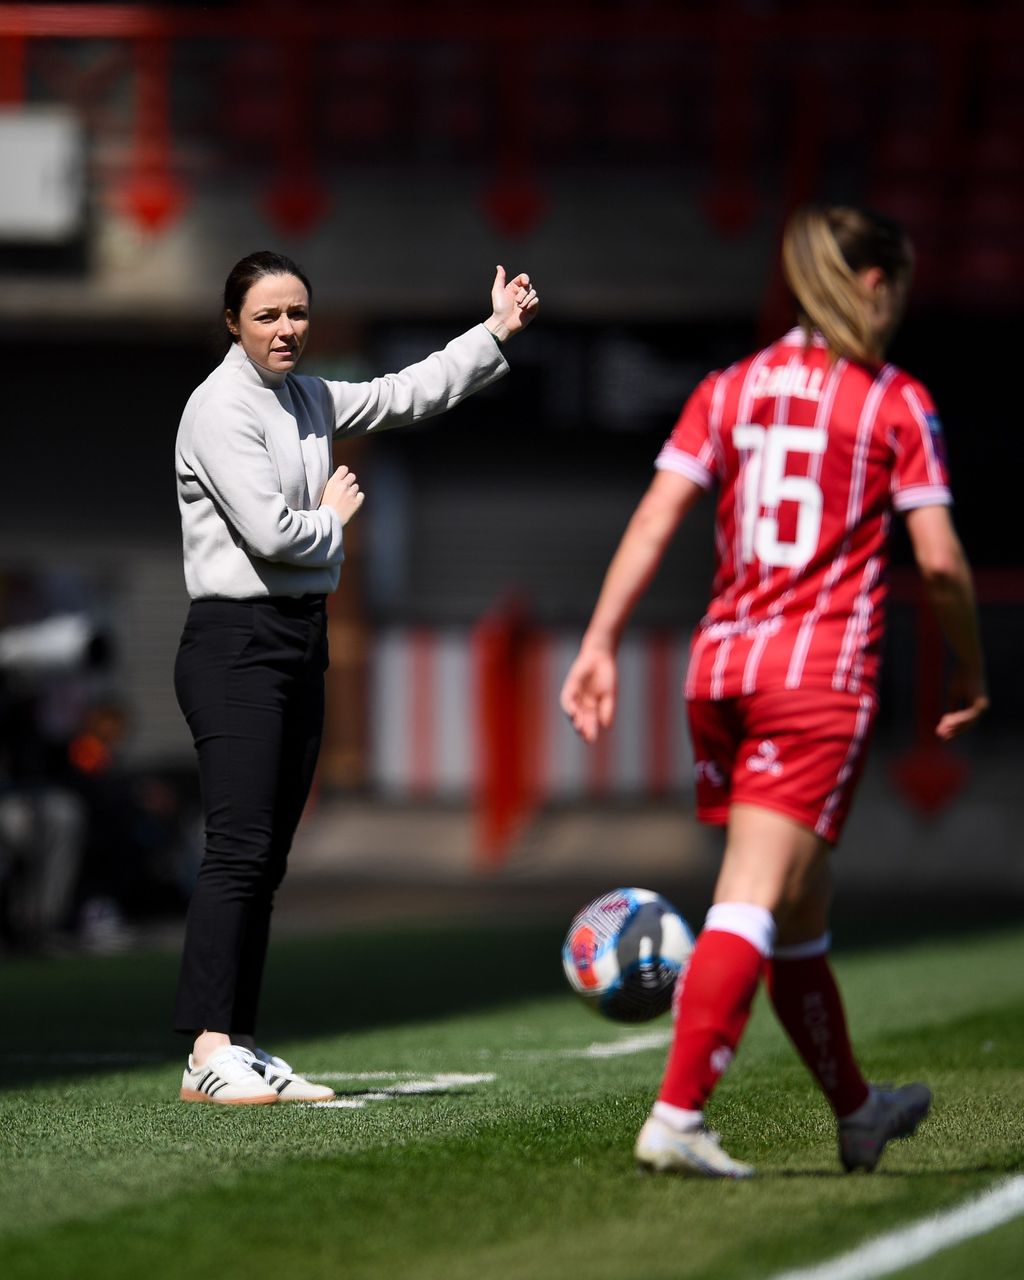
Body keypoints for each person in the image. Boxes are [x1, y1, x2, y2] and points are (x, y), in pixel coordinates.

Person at [560, 205, 987, 1178]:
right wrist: (968, 662)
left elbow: (655, 514)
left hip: (719, 670)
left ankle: (857, 1110)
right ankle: (676, 1112)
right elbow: (943, 564)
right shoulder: (891, 400)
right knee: (753, 892)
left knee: (798, 908)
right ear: (875, 282)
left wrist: (598, 641)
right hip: (815, 674)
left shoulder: (728, 387)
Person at [173, 250, 538, 1104]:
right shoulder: (217, 407)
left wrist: (492, 331)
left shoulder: (307, 396)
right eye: (266, 316)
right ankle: (205, 1049)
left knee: (266, 858)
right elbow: (269, 533)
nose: (286, 329)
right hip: (234, 642)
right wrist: (330, 521)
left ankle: (241, 1043)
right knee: (235, 850)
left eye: (297, 312)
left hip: (297, 636)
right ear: (233, 324)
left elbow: (404, 393)